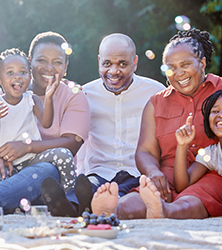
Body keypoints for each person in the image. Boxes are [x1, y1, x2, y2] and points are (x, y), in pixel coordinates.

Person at [91, 28, 222, 219]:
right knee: (141, 195)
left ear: (202, 63)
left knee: (193, 197)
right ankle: (115, 210)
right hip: (168, 174)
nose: (178, 73)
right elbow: (145, 151)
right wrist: (153, 172)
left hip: (214, 174)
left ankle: (165, 211)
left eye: (185, 64)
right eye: (171, 67)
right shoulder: (155, 103)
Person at [0, 31, 90, 222]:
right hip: (10, 168)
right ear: (30, 63)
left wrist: (27, 146)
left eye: (57, 62)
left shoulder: (71, 95)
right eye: (41, 60)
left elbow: (71, 144)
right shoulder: (2, 97)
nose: (49, 68)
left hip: (45, 172)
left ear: (65, 68)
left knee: (46, 170)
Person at [40, 33, 165, 217]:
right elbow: (69, 134)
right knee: (86, 187)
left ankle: (91, 206)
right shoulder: (84, 95)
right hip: (99, 172)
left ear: (135, 62)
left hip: (137, 173)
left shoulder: (155, 93)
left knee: (119, 195)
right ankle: (69, 205)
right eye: (107, 64)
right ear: (99, 61)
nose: (114, 71)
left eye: (122, 64)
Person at [0, 48, 76, 193]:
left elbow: (46, 123)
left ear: (29, 77)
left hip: (33, 161)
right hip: (7, 164)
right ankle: (5, 203)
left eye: (23, 72)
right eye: (10, 72)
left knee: (64, 154)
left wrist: (48, 98)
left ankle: (69, 198)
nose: (17, 77)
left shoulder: (32, 99)